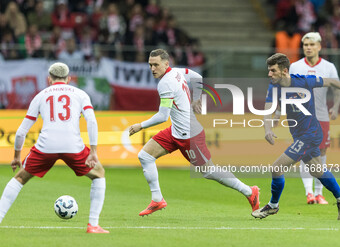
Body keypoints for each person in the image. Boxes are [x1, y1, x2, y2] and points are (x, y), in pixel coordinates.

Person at [128, 49, 260, 216]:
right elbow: (197, 77)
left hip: (189, 135)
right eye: (150, 65)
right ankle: (157, 200)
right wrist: (197, 98)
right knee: (145, 156)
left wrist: (141, 125)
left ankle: (250, 191)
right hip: (176, 130)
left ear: (166, 64)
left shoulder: (165, 83)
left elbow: (163, 116)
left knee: (209, 172)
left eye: (156, 65)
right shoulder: (177, 72)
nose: (153, 68)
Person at [0, 63, 109, 233]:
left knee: (20, 178)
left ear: (49, 79)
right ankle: (93, 225)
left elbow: (22, 131)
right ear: (69, 78)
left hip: (46, 146)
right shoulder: (80, 94)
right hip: (73, 145)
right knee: (99, 174)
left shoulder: (40, 95)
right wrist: (93, 151)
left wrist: (16, 156)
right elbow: (92, 121)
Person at [251, 53, 340, 219]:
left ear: (284, 71)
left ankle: (273, 205)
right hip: (300, 136)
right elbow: (267, 109)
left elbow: (331, 82)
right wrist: (267, 130)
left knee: (276, 168)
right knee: (317, 170)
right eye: (269, 70)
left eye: (273, 70)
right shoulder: (274, 86)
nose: (269, 74)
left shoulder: (305, 81)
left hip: (311, 134)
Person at [289, 32, 340, 204]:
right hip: (302, 118)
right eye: (305, 45)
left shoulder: (328, 67)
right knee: (305, 153)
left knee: (322, 153)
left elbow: (337, 88)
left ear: (319, 46)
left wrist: (336, 106)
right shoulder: (295, 67)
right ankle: (309, 193)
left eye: (311, 45)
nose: (308, 48)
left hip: (322, 116)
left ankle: (319, 193)